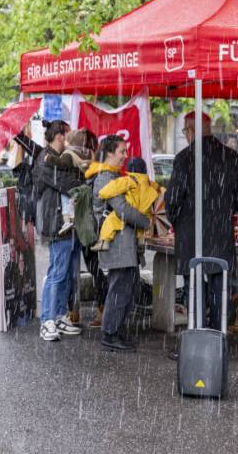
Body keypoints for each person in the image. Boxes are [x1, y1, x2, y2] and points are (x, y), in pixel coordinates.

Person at [165, 111, 238, 358]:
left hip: (192, 235)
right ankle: (218, 341)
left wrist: (178, 222)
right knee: (220, 289)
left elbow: (172, 200)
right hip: (220, 234)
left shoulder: (185, 158)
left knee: (194, 290)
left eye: (184, 131)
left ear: (190, 130)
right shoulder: (230, 157)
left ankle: (197, 342)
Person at [89, 136, 150, 352]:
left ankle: (117, 331)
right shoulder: (105, 177)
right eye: (122, 151)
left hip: (123, 242)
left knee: (128, 286)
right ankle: (110, 334)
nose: (125, 156)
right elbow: (122, 209)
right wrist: (146, 221)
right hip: (117, 243)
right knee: (119, 288)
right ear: (109, 153)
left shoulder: (112, 175)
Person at [32, 119, 85, 342]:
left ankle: (60, 315)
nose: (68, 139)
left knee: (68, 274)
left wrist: (77, 176)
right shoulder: (44, 160)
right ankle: (47, 320)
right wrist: (77, 176)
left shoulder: (60, 159)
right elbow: (68, 183)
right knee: (57, 272)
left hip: (71, 223)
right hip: (57, 224)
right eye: (66, 134)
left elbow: (76, 179)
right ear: (60, 136)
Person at [93, 157, 162, 251]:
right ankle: (141, 241)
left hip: (132, 207)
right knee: (140, 229)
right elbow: (158, 189)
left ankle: (104, 241)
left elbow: (114, 187)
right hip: (144, 210)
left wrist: (102, 194)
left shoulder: (129, 180)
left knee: (110, 221)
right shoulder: (149, 183)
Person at [46, 129, 95, 236]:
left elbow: (62, 164)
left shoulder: (69, 153)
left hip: (70, 182)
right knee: (75, 201)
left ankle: (67, 220)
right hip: (82, 182)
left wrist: (50, 158)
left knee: (65, 199)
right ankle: (76, 219)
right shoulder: (86, 153)